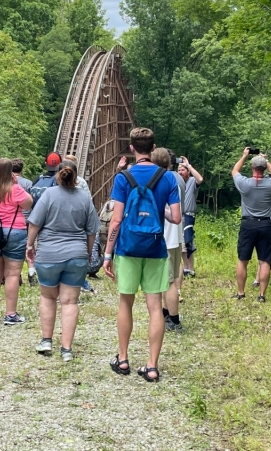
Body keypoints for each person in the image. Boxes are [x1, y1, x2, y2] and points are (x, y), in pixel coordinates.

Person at [102, 128, 181, 383]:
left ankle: (123, 359)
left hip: (127, 248)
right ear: (153, 146)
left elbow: (116, 221)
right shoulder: (167, 178)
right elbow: (176, 217)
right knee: (155, 306)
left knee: (126, 302)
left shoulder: (123, 177)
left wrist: (107, 254)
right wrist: (160, 215)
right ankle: (152, 366)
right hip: (156, 248)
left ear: (132, 148)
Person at [26, 160, 100, 362]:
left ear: (57, 175)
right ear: (76, 177)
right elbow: (92, 230)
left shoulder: (48, 195)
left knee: (48, 298)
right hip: (76, 255)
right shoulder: (84, 198)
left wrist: (30, 246)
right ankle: (66, 349)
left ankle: (47, 340)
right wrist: (85, 251)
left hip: (49, 255)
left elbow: (34, 223)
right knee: (69, 302)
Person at [0, 158, 33, 325]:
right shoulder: (15, 189)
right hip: (14, 233)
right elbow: (29, 204)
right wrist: (15, 184)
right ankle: (10, 314)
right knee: (12, 274)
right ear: (10, 172)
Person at [232, 148, 271, 303]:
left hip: (248, 224)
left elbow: (235, 170)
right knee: (264, 260)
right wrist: (266, 160)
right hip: (265, 224)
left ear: (252, 168)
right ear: (264, 168)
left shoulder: (244, 184)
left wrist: (245, 156)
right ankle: (262, 295)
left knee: (243, 259)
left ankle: (241, 292)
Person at [153, 148, 184, 332]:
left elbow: (170, 212)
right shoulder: (174, 179)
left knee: (168, 281)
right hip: (174, 236)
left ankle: (174, 319)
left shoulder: (161, 180)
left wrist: (158, 210)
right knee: (169, 279)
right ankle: (166, 314)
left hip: (165, 236)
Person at [63, 154, 97, 293]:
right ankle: (79, 281)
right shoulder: (81, 182)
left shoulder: (56, 182)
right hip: (77, 222)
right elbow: (88, 202)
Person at [26, 152, 61, 286]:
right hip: (52, 219)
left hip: (35, 217)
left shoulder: (38, 179)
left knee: (34, 246)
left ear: (46, 164)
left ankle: (32, 271)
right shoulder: (58, 181)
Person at [178, 157, 202, 278]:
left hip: (188, 215)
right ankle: (186, 268)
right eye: (179, 170)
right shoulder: (177, 182)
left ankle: (191, 269)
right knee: (182, 244)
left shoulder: (192, 181)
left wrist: (189, 165)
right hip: (178, 215)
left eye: (182, 170)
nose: (180, 172)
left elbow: (200, 179)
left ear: (188, 171)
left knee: (188, 242)